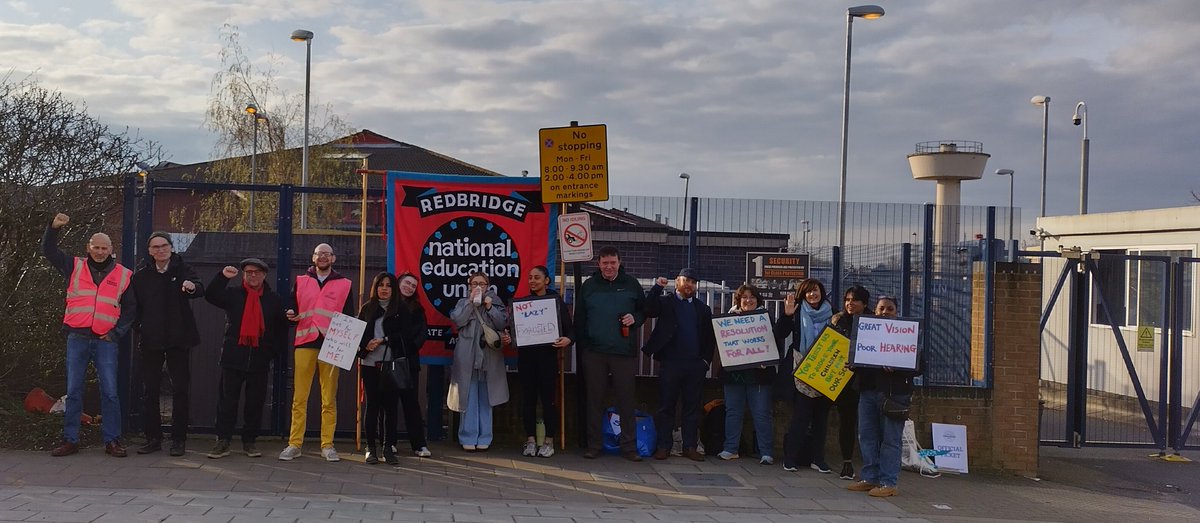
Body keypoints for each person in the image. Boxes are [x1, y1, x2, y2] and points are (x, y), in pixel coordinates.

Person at [41, 213, 136, 457]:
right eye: (96, 247)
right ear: (88, 247)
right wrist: (53, 228)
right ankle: (70, 440)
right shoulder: (75, 266)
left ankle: (112, 440)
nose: (100, 252)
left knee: (111, 392)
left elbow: (131, 309)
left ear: (111, 249)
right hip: (78, 337)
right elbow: (49, 251)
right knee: (73, 391)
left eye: (104, 248)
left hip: (106, 340)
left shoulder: (124, 275)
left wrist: (116, 334)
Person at [204, 259, 288, 459]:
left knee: (255, 403)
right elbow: (211, 295)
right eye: (249, 272)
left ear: (264, 275)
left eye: (257, 272)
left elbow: (279, 329)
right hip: (234, 355)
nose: (253, 276)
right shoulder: (233, 294)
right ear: (243, 274)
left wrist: (273, 354)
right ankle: (223, 441)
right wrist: (223, 277)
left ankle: (249, 441)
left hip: (260, 357)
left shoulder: (273, 299)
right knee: (227, 402)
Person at [130, 231, 204, 456]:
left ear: (171, 248)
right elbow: (133, 308)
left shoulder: (184, 269)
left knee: (180, 390)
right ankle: (153, 438)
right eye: (155, 247)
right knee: (150, 390)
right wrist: (140, 327)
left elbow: (199, 288)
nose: (160, 250)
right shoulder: (141, 276)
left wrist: (192, 287)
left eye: (164, 246)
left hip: (179, 340)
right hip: (151, 341)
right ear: (150, 251)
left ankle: (178, 439)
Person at [280, 243, 354, 462]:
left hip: (332, 344)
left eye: (327, 254)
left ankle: (327, 445)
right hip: (305, 342)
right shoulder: (301, 281)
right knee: (299, 398)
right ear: (313, 258)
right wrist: (290, 313)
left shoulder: (344, 284)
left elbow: (348, 317)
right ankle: (294, 444)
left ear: (333, 258)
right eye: (319, 254)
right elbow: (292, 307)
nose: (323, 257)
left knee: (328, 399)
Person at [574, 246, 647, 461]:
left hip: (623, 352)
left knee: (626, 400)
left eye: (612, 262)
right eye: (604, 263)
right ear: (598, 263)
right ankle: (594, 445)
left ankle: (629, 447)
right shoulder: (589, 286)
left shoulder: (631, 284)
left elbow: (643, 311)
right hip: (594, 352)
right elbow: (580, 318)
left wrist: (635, 319)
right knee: (594, 400)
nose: (608, 267)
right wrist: (584, 346)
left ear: (619, 262)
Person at [848, 295, 921, 498]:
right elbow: (861, 358)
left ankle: (889, 482)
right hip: (868, 392)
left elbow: (920, 366)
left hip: (894, 394)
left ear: (896, 312)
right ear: (875, 310)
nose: (885, 312)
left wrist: (897, 368)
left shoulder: (906, 334)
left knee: (890, 440)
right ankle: (870, 478)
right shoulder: (865, 332)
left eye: (890, 309)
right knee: (867, 436)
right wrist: (853, 364)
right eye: (881, 309)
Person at [358, 272, 432, 465]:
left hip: (392, 363)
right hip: (369, 364)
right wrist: (365, 345)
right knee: (372, 406)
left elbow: (406, 335)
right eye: (380, 285)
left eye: (388, 285)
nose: (384, 288)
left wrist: (384, 340)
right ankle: (370, 448)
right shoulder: (366, 308)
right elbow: (356, 333)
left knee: (390, 407)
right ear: (375, 287)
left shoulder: (401, 309)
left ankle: (387, 447)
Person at [643, 268, 716, 461]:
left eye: (693, 282)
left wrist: (704, 362)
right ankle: (663, 446)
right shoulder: (666, 302)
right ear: (677, 282)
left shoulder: (703, 309)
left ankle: (690, 446)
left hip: (694, 366)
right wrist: (657, 288)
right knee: (666, 406)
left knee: (692, 407)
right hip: (671, 363)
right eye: (686, 280)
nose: (689, 285)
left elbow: (710, 340)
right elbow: (649, 309)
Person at [510, 265, 574, 458]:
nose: (532, 281)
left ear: (547, 280)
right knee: (528, 401)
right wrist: (508, 336)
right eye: (530, 277)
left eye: (537, 277)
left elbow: (570, 330)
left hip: (548, 359)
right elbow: (511, 330)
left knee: (548, 401)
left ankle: (549, 441)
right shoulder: (522, 304)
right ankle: (530, 440)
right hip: (527, 359)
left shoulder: (555, 302)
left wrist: (567, 340)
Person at [716, 284, 783, 465]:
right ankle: (730, 449)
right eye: (744, 297)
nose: (748, 300)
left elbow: (776, 342)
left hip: (760, 375)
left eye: (752, 297)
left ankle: (766, 452)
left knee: (762, 413)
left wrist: (767, 359)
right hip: (733, 374)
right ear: (738, 300)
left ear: (758, 300)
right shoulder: (727, 320)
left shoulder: (766, 319)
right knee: (733, 411)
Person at [448, 271, 509, 451]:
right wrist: (470, 303)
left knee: (486, 397)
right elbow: (457, 320)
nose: (478, 287)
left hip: (489, 357)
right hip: (467, 357)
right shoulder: (462, 302)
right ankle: (467, 436)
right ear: (469, 286)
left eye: (482, 284)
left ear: (488, 286)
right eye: (474, 283)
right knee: (467, 396)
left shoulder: (496, 303)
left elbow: (502, 324)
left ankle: (485, 437)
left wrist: (490, 308)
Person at [777, 278, 833, 472]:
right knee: (800, 417)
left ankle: (818, 459)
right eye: (808, 291)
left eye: (815, 290)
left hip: (826, 370)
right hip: (801, 369)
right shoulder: (797, 311)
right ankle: (790, 458)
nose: (812, 294)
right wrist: (786, 315)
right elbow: (780, 333)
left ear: (821, 292)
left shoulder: (832, 313)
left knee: (821, 419)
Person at [830, 284, 870, 479]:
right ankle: (847, 463)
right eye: (847, 299)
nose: (850, 303)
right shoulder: (838, 320)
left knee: (867, 426)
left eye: (854, 300)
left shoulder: (873, 321)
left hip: (867, 382)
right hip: (844, 381)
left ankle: (871, 466)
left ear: (864, 303)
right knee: (846, 422)